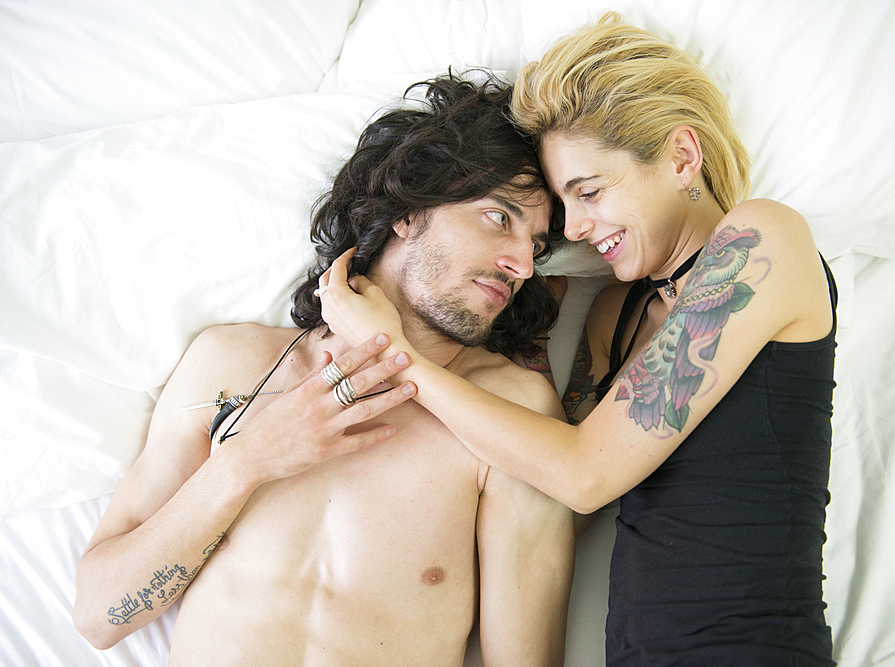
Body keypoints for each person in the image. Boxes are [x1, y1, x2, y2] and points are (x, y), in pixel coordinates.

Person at [318, 13, 838, 667]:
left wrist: (398, 355)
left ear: (682, 156)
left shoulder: (762, 242)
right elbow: (553, 504)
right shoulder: (613, 314)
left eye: (588, 192)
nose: (579, 228)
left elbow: (585, 472)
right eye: (565, 210)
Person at [73, 73, 576, 667]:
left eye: (537, 247)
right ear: (408, 212)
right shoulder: (232, 363)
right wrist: (246, 462)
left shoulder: (513, 412)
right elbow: (99, 616)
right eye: (499, 219)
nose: (521, 264)